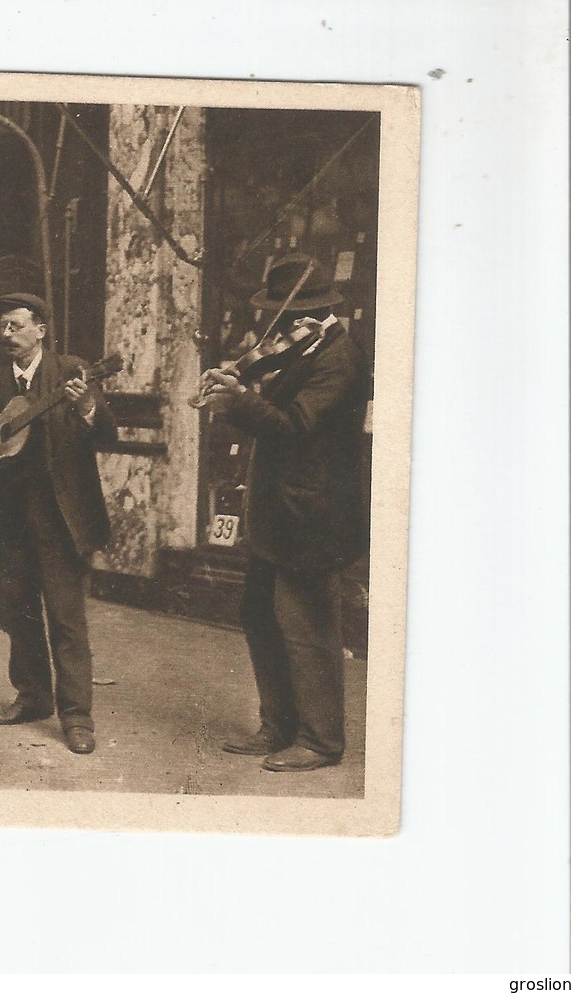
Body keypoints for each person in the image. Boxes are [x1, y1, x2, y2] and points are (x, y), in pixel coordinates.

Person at [196, 254, 369, 773]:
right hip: (279, 512)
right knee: (260, 613)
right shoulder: (304, 347)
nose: (280, 329)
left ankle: (320, 740)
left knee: (307, 624)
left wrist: (240, 399)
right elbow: (269, 390)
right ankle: (278, 725)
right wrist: (238, 381)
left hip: (311, 514)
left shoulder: (338, 358)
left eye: (287, 318)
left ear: (313, 314)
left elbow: (294, 424)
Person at [0, 292, 116, 755]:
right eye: (3, 328)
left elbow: (108, 431)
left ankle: (77, 716)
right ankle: (34, 697)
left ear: (41, 330)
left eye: (16, 326)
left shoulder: (72, 370)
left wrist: (84, 405)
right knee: (17, 614)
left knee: (66, 618)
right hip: (8, 519)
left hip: (60, 519)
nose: (7, 335)